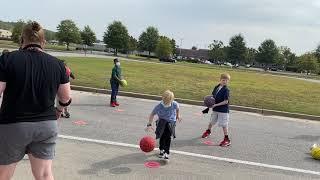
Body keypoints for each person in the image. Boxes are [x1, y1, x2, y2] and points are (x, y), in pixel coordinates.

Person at [0, 21, 71, 180]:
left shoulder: (7, 59)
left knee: (3, 174)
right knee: (45, 174)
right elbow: (65, 97)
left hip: (13, 124)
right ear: (43, 42)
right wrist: (59, 110)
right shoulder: (58, 64)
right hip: (46, 125)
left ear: (21, 40)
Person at [146, 90, 181, 160]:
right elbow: (152, 114)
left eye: (168, 102)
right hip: (162, 122)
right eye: (165, 102)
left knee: (168, 137)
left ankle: (166, 152)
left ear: (172, 100)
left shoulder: (174, 104)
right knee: (162, 136)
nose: (166, 104)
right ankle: (161, 149)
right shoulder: (159, 106)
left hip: (171, 122)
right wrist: (149, 124)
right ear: (163, 99)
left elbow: (177, 109)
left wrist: (178, 115)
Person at [201, 73, 231, 147]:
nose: (225, 82)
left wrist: (216, 105)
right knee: (211, 121)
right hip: (215, 109)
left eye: (226, 81)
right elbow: (213, 96)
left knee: (224, 124)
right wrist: (207, 100)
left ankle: (227, 139)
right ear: (220, 80)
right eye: (223, 80)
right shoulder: (217, 87)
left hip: (223, 110)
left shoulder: (226, 90)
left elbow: (226, 101)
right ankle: (208, 131)